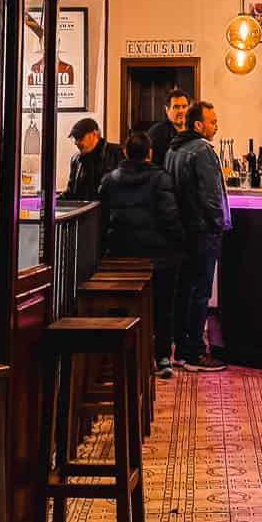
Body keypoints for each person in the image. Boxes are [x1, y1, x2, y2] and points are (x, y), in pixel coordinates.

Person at [98, 129, 184, 376]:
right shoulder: (161, 179)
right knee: (163, 308)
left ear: (125, 152)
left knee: (124, 308)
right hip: (159, 259)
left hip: (121, 258)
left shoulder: (109, 180)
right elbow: (170, 218)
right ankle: (162, 358)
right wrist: (180, 243)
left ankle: (125, 358)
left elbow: (102, 222)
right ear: (150, 153)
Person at [166, 100, 230, 372]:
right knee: (200, 292)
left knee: (184, 291)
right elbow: (211, 195)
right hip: (202, 229)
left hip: (182, 230)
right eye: (212, 121)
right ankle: (194, 352)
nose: (216, 126)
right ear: (198, 124)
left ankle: (181, 348)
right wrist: (219, 224)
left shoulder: (173, 149)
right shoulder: (202, 150)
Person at [65, 116, 123, 200]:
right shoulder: (76, 159)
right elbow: (71, 193)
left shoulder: (117, 153)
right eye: (74, 138)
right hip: (84, 211)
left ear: (94, 134)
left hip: (109, 211)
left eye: (80, 137)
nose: (76, 142)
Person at [148, 86, 190, 168]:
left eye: (184, 107)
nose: (181, 111)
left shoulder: (193, 131)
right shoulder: (156, 133)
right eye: (176, 107)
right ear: (167, 110)